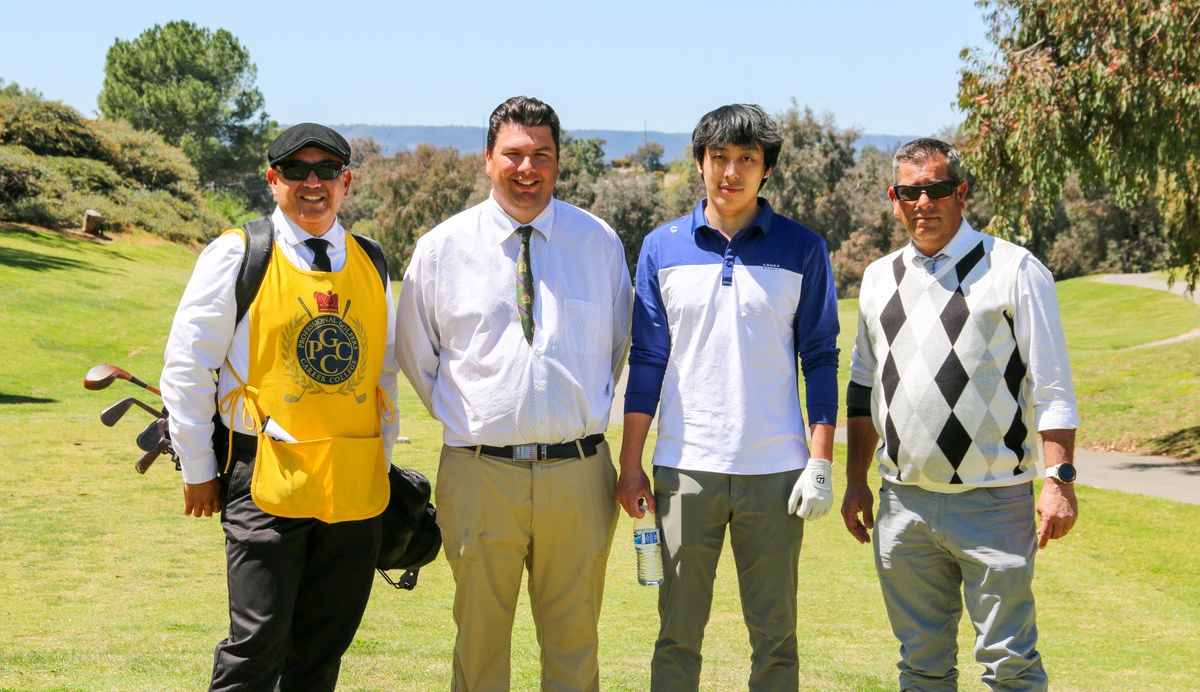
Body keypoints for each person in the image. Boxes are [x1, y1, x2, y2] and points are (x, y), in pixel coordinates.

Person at [396, 95, 632, 692]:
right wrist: (481, 418)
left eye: (541, 155)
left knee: (575, 646)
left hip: (579, 475)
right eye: (514, 154)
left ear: (558, 162)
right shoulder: (442, 249)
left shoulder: (597, 243)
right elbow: (419, 359)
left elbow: (619, 347)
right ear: (487, 160)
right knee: (478, 647)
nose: (527, 168)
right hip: (479, 475)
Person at [160, 122, 400, 692]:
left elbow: (382, 375)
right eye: (296, 170)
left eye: (327, 171)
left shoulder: (372, 260)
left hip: (355, 480)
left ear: (347, 183)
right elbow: (187, 367)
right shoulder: (238, 253)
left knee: (322, 650)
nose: (311, 182)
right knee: (256, 645)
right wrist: (197, 468)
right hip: (265, 475)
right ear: (273, 180)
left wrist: (383, 466)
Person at [841, 137, 1079, 692]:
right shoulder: (878, 277)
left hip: (994, 501)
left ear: (961, 192)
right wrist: (856, 481)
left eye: (938, 189)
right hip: (904, 504)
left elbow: (1053, 386)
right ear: (893, 198)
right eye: (909, 192)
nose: (924, 203)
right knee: (921, 666)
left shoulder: (1015, 269)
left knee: (1010, 666)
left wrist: (1059, 480)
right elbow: (860, 388)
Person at [617, 103, 841, 692]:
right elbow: (647, 362)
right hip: (685, 469)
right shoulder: (661, 248)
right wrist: (631, 462)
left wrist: (821, 460)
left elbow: (820, 359)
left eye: (747, 159)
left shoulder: (803, 249)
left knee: (775, 639)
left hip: (776, 471)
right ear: (699, 163)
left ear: (766, 170)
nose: (731, 172)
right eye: (720, 157)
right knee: (677, 634)